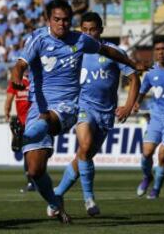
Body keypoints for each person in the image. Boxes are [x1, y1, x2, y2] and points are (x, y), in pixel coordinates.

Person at [11, 0, 146, 223]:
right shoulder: (37, 38)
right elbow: (20, 64)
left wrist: (132, 63)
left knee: (51, 123)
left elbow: (108, 51)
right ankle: (56, 203)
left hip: (68, 106)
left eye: (66, 20)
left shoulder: (80, 40)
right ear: (48, 19)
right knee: (35, 170)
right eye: (57, 20)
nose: (62, 24)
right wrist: (16, 77)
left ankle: (22, 135)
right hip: (39, 107)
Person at [53, 12, 140, 216]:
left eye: (92, 29)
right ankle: (88, 198)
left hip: (106, 113)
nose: (88, 34)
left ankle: (56, 195)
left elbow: (134, 78)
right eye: (84, 30)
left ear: (101, 30)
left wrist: (128, 106)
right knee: (84, 146)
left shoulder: (113, 52)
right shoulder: (75, 51)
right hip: (82, 107)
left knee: (84, 155)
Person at [134, 36, 164, 199]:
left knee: (163, 155)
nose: (160, 52)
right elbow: (142, 90)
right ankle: (147, 177)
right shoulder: (151, 73)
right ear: (154, 52)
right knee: (146, 153)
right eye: (157, 49)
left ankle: (156, 189)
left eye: (163, 49)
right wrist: (136, 103)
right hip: (156, 118)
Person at [4, 71, 36, 193]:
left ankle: (31, 182)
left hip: (28, 122)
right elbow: (9, 99)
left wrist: (6, 113)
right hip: (32, 121)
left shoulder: (17, 81)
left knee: (27, 153)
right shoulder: (33, 80)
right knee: (31, 152)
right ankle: (33, 181)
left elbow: (9, 100)